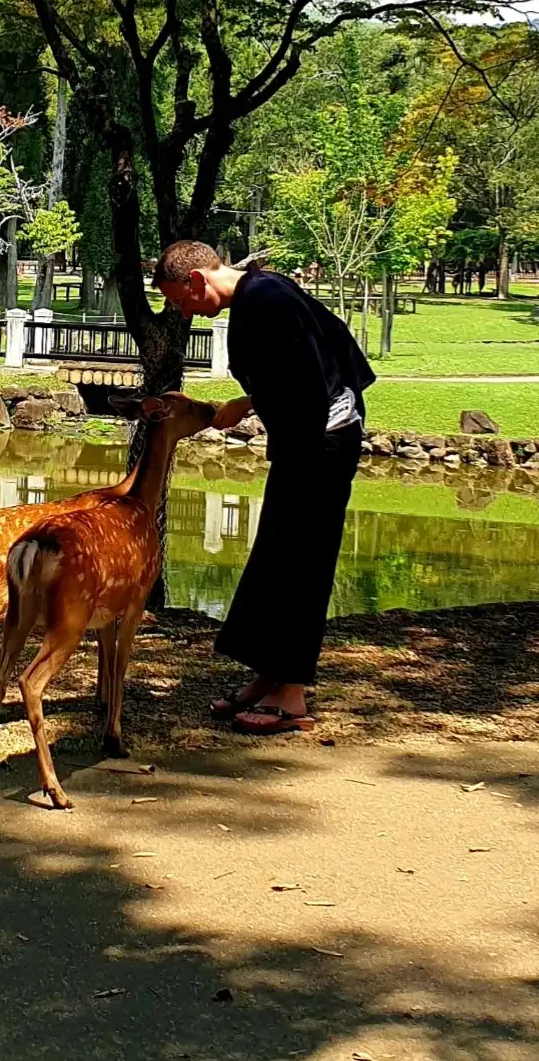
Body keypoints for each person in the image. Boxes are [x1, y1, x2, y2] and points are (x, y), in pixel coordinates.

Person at [154, 241, 374, 734]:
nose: (182, 310)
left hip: (321, 447)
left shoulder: (267, 296)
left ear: (197, 281)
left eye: (179, 300)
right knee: (275, 557)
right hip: (304, 447)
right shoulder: (260, 295)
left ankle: (291, 694)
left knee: (302, 563)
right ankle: (267, 675)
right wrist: (249, 403)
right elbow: (302, 363)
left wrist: (276, 422)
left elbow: (311, 380)